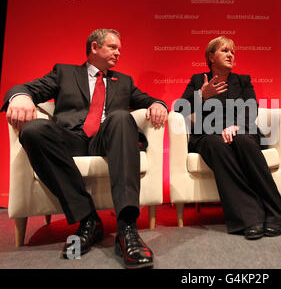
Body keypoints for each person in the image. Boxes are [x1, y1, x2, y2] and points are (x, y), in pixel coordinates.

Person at [2, 29, 168, 268]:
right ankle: (88, 219)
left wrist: (158, 104)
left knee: (122, 117)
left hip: (106, 138)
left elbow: (146, 99)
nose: (118, 53)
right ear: (94, 47)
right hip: (70, 138)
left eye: (119, 49)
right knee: (33, 130)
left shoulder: (124, 81)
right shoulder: (64, 72)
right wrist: (19, 97)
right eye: (112, 47)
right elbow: (29, 88)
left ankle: (127, 228)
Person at [175, 36, 281, 240]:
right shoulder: (198, 80)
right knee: (216, 144)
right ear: (211, 56)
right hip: (208, 134)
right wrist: (202, 96)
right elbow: (179, 110)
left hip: (241, 130)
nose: (230, 55)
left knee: (243, 140)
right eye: (224, 50)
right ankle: (249, 218)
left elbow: (252, 108)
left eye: (232, 52)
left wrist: (238, 126)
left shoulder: (243, 81)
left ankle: (274, 213)